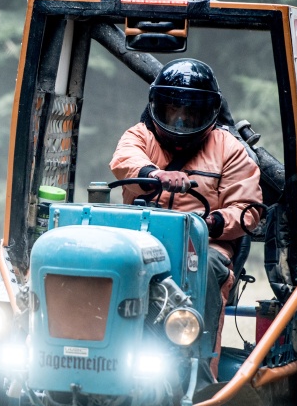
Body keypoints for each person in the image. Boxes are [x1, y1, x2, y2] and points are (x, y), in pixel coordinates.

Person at [109, 58, 262, 387]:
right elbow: (124, 161)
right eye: (172, 111)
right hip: (141, 242)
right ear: (156, 107)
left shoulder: (230, 149)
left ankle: (198, 379)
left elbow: (247, 209)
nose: (179, 121)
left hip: (206, 246)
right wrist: (155, 175)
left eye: (190, 114)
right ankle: (100, 358)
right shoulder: (139, 136)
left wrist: (210, 223)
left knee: (200, 267)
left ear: (208, 114)